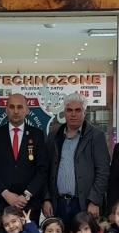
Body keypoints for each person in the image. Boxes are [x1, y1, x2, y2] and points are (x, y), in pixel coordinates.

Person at [43, 93, 111, 226]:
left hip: (84, 204)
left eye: (78, 110)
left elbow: (103, 171)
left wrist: (94, 201)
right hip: (58, 204)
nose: (73, 114)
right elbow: (45, 170)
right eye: (69, 110)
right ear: (64, 112)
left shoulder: (96, 136)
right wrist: (46, 199)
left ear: (84, 113)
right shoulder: (54, 136)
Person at [0, 93, 49, 221]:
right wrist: (6, 194)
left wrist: (26, 195)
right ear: (6, 110)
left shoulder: (37, 135)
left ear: (27, 110)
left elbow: (42, 169)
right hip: (3, 203)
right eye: (12, 107)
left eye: (20, 107)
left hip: (29, 204)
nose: (15, 111)